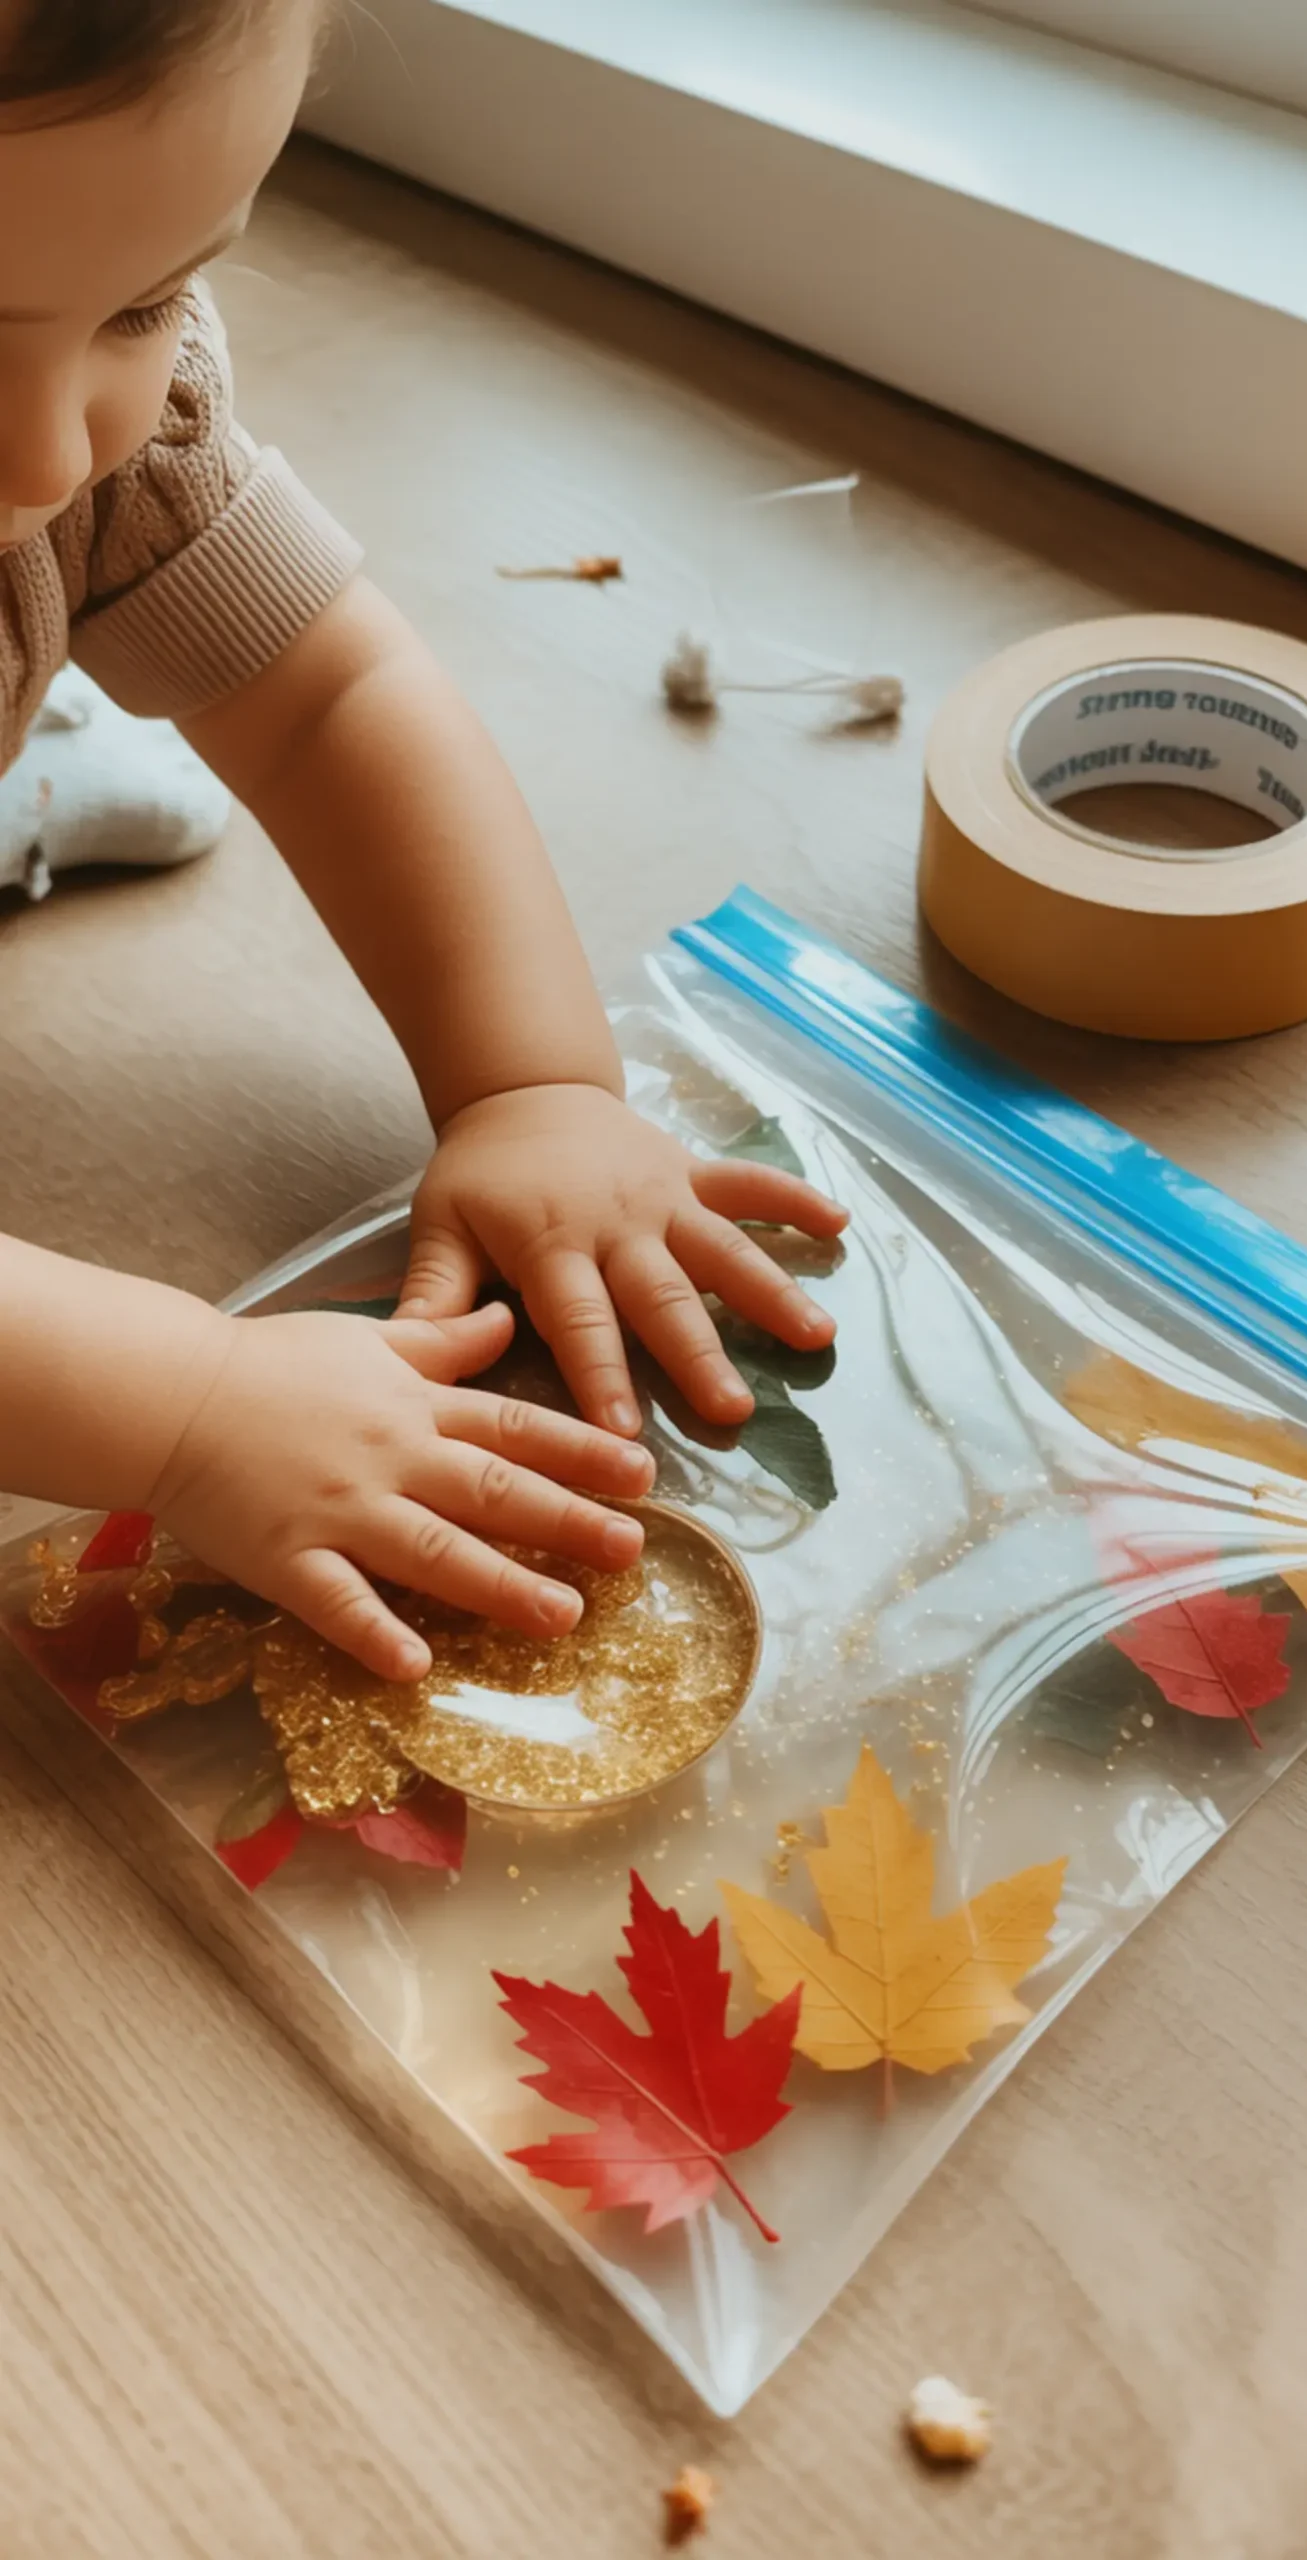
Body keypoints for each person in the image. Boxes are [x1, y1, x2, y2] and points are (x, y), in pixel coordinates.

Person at [0, 0, 846, 1681]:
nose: (59, 446)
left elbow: (325, 691)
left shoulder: (85, 416)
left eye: (146, 304)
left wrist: (529, 1082)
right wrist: (190, 1409)